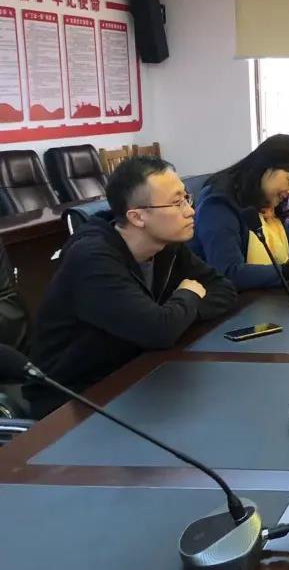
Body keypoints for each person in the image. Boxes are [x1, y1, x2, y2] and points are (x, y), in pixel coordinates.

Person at [24, 157, 236, 417]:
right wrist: (187, 296)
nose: (190, 210)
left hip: (139, 372)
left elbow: (223, 289)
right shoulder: (91, 259)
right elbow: (158, 330)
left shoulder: (166, 245)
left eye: (186, 198)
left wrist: (177, 315)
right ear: (137, 217)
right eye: (176, 202)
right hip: (73, 400)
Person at [192, 134, 289, 291]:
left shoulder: (264, 201)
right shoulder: (218, 204)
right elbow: (229, 273)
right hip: (231, 302)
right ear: (268, 167)